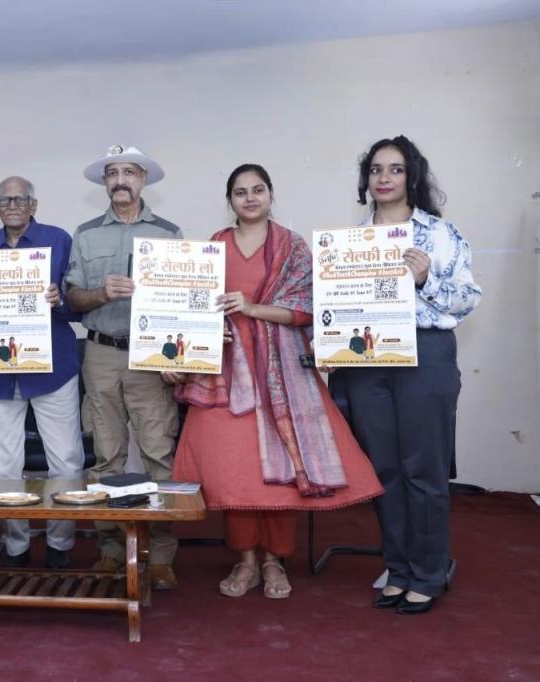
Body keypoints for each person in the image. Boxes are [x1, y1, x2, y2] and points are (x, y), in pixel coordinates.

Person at [168, 163, 383, 599]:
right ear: (229, 200)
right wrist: (196, 341)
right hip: (227, 371)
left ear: (271, 195)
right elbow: (191, 308)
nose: (250, 198)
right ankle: (245, 561)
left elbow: (305, 309)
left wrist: (250, 308)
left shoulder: (293, 247)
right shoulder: (213, 247)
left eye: (258, 190)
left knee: (283, 472)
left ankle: (274, 561)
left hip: (283, 374)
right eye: (240, 192)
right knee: (235, 473)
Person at [342, 136, 481, 614]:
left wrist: (426, 280)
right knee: (386, 472)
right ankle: (398, 571)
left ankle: (429, 572)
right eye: (376, 169)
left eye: (395, 169)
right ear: (367, 180)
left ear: (412, 177)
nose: (384, 177)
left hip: (425, 354)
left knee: (424, 471)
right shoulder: (350, 243)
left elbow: (466, 300)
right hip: (367, 359)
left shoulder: (441, 234)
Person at [64, 145, 183, 590]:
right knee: (105, 456)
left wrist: (178, 357)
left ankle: (161, 556)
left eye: (129, 172)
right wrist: (100, 294)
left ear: (143, 180)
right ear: (104, 183)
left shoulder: (170, 235)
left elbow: (183, 303)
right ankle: (112, 550)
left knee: (159, 454)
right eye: (112, 172)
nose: (120, 180)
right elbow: (73, 299)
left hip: (151, 358)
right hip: (101, 354)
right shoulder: (86, 234)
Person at [0, 176, 84, 569]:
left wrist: (58, 299)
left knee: (64, 459)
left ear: (33, 204)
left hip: (53, 369)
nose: (12, 205)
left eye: (19, 199)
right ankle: (16, 545)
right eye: (4, 199)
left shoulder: (59, 240)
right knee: (4, 465)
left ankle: (61, 543)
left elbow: (77, 305)